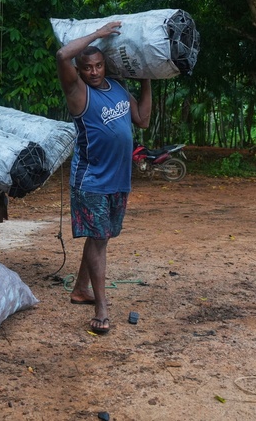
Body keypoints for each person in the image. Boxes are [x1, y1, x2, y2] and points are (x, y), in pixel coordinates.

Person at [55, 21, 151, 335]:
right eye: (88, 67)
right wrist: (97, 34)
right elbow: (62, 54)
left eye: (98, 66)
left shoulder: (120, 89)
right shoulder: (77, 91)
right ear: (80, 71)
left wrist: (147, 79)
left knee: (102, 237)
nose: (94, 72)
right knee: (98, 240)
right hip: (92, 179)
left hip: (119, 179)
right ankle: (101, 306)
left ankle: (81, 288)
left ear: (104, 65)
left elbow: (143, 119)